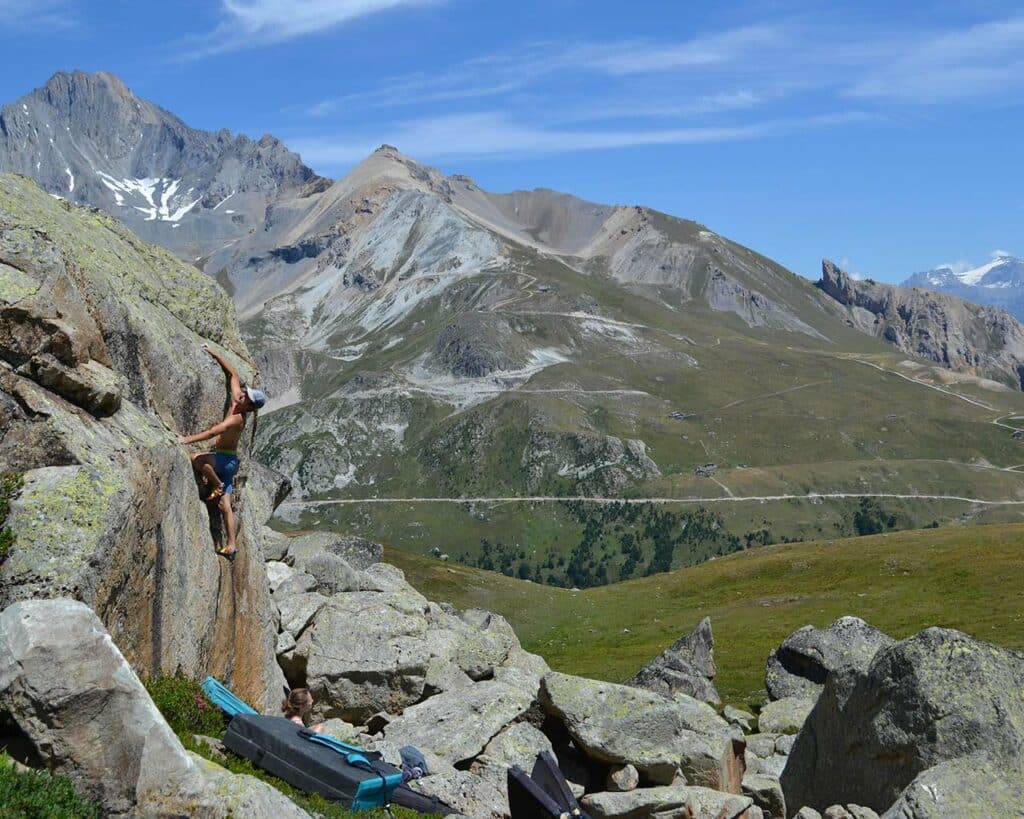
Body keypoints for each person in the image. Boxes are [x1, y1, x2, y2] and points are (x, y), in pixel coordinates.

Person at [177, 344, 266, 561]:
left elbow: (211, 432)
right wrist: (215, 353)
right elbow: (233, 374)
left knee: (196, 460)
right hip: (230, 462)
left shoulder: (236, 419)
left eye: (247, 396)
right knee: (226, 506)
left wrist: (185, 440)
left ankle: (215, 484)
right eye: (245, 392)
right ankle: (232, 546)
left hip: (224, 460)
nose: (243, 393)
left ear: (249, 406)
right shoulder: (238, 400)